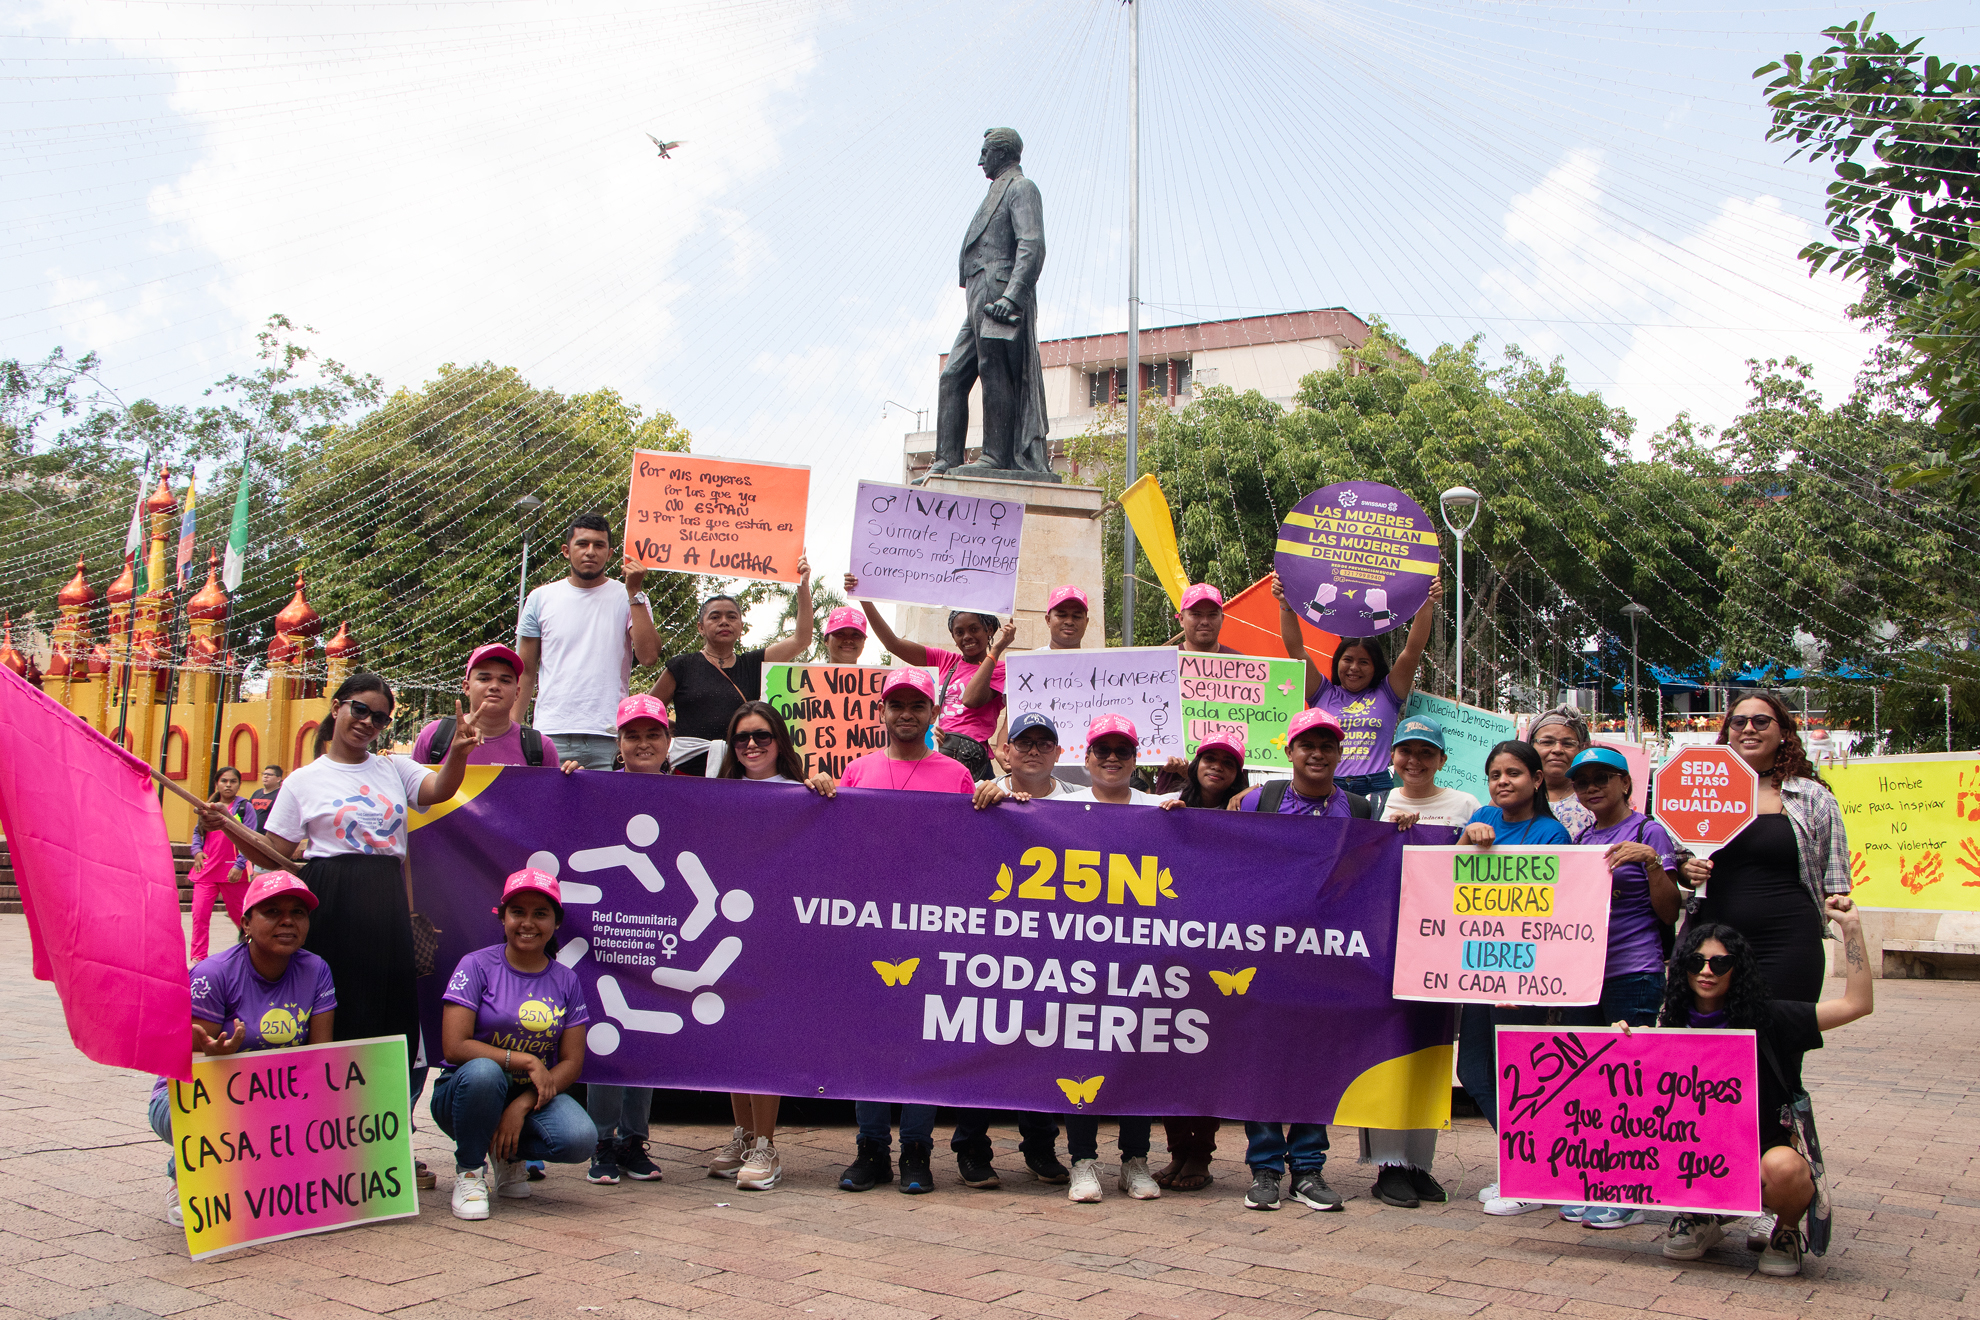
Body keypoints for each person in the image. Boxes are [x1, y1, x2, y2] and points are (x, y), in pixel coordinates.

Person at [238, 674, 481, 1079]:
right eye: (361, 709)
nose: (368, 722)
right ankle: (323, 1092)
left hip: (385, 900)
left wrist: (458, 752)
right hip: (329, 900)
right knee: (333, 1002)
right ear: (337, 708)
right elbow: (273, 853)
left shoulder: (394, 768)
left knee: (386, 1006)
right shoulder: (302, 780)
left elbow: (439, 789)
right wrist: (228, 828)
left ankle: (379, 1100)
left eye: (380, 718)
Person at [810, 667, 976, 1193]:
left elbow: (973, 848)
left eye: (917, 705)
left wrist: (996, 797)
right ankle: (871, 1149)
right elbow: (837, 843)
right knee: (870, 1035)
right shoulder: (856, 771)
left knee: (924, 1036)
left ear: (932, 713)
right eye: (897, 705)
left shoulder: (956, 774)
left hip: (932, 925)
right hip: (869, 924)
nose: (907, 714)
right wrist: (818, 793)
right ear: (881, 712)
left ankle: (916, 1151)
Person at [1650, 900, 1872, 1276]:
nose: (1706, 971)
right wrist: (1621, 1043)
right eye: (1696, 962)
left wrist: (1851, 930)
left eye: (1720, 963)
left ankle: (1785, 1230)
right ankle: (1699, 1216)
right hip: (1696, 1152)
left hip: (1761, 1154)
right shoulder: (1670, 1025)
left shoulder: (1771, 1018)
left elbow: (1857, 1004)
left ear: (1737, 968)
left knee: (1785, 1169)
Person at [150, 873, 334, 1227]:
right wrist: (216, 1059)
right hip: (196, 1096)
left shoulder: (316, 970)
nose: (287, 921)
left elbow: (320, 1057)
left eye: (298, 912)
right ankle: (184, 1175)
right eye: (272, 911)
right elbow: (183, 1062)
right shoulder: (213, 974)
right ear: (246, 923)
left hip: (274, 1097)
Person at [1556, 744, 1684, 1229]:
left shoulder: (1650, 832)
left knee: (1629, 1085)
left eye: (1601, 778)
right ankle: (1596, 1181)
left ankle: (1628, 1189)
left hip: (1635, 972)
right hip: (1584, 977)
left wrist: (1651, 862)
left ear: (1626, 783)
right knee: (1589, 1083)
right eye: (1581, 782)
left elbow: (1669, 912)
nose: (1591, 788)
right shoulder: (1582, 840)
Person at [434, 868, 597, 1220]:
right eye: (518, 912)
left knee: (580, 1138)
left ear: (556, 922)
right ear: (503, 917)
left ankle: (508, 1155)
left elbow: (572, 1062)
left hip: (529, 1096)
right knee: (484, 1073)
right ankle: (470, 1172)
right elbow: (454, 1046)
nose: (528, 923)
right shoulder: (475, 965)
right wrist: (526, 1060)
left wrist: (520, 1106)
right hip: (464, 1093)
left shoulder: (566, 980)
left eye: (540, 914)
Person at [1453, 742, 1573, 1217]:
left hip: (1524, 974)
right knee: (1474, 1070)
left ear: (1537, 780)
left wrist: (1525, 981)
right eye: (1495, 774)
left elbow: (1553, 906)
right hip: (1480, 969)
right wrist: (1467, 837)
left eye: (1514, 773)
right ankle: (1528, 1164)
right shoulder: (1482, 815)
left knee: (1518, 1077)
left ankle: (1530, 1174)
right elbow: (1447, 880)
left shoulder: (1551, 833)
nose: (1503, 781)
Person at [558, 694, 672, 1184]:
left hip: (662, 931)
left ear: (668, 741)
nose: (643, 744)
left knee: (643, 1031)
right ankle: (602, 1141)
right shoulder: (594, 787)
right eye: (633, 736)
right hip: (605, 930)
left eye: (652, 735)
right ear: (618, 744)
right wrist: (564, 782)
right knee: (605, 1029)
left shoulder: (693, 794)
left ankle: (634, 1139)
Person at [1678, 691, 1852, 1003]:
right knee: (1713, 1033)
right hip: (1712, 947)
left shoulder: (1813, 797)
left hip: (1788, 945)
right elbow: (1678, 859)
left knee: (1781, 1030)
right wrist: (1686, 869)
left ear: (1783, 732)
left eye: (1760, 721)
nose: (1749, 729)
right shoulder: (1697, 793)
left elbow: (1836, 880)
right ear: (1728, 732)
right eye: (1739, 722)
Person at [706, 701, 806, 1189]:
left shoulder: (803, 796)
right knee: (734, 1035)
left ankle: (767, 1145)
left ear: (778, 742)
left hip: (777, 934)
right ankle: (745, 1135)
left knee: (763, 1036)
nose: (751, 744)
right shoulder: (717, 796)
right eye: (742, 737)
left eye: (762, 736)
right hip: (726, 933)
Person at [1153, 730, 1249, 1194]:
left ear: (1238, 774)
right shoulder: (1170, 804)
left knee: (1208, 1055)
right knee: (1169, 1055)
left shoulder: (1250, 812)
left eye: (1227, 763)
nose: (1217, 768)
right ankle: (1177, 1152)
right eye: (1210, 759)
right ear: (1196, 764)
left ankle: (1200, 1156)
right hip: (1171, 946)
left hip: (1222, 949)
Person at [1273, 571, 1443, 796]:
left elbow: (1412, 651)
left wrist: (1427, 604)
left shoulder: (1388, 694)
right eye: (1348, 660)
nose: (1354, 668)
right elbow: (1296, 649)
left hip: (1377, 787)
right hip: (1328, 786)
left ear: (1375, 667)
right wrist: (1285, 603)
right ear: (1337, 662)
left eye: (1364, 662)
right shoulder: (1321, 693)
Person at [515, 513, 662, 771]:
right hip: (550, 733)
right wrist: (513, 728)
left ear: (610, 553)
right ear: (566, 550)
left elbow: (649, 657)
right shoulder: (540, 598)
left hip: (608, 735)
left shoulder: (630, 596)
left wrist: (634, 591)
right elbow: (524, 670)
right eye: (582, 544)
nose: (590, 551)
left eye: (599, 545)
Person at [650, 561, 814, 776]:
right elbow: (648, 710)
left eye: (731, 617)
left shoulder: (754, 664)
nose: (724, 622)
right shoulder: (681, 666)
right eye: (715, 617)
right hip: (686, 773)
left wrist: (803, 585)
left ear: (741, 627)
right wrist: (677, 731)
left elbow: (801, 640)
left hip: (738, 774)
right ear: (700, 627)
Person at [844, 572, 1004, 781]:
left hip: (971, 761)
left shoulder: (1000, 669)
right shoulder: (944, 660)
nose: (967, 637)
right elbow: (893, 644)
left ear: (989, 630)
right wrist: (864, 598)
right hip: (937, 752)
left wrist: (996, 651)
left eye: (974, 629)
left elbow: (971, 699)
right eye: (959, 632)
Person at [414, 643, 558, 770]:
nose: (494, 686)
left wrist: (569, 778)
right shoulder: (434, 735)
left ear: (517, 692)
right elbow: (411, 790)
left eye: (505, 681)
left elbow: (553, 792)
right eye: (484, 679)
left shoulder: (540, 747)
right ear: (467, 687)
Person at [1233, 709, 1373, 820]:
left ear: (1339, 753)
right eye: (1307, 746)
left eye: (1327, 747)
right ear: (1289, 753)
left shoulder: (1359, 810)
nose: (1318, 754)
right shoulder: (1258, 801)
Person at [186, 766, 258, 962]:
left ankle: (252, 953)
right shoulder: (207, 806)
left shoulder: (245, 807)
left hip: (233, 872)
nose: (228, 785)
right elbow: (198, 831)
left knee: (242, 917)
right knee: (199, 915)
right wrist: (197, 851)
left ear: (239, 785)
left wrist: (239, 865)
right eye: (224, 781)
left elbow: (250, 837)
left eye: (233, 781)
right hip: (206, 870)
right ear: (216, 783)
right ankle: (198, 958)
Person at [1377, 715, 1479, 829]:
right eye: (1405, 751)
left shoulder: (1467, 806)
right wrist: (1388, 829)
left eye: (1426, 752)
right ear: (1393, 757)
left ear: (1442, 761)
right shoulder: (1376, 804)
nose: (1414, 760)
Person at [1058, 715, 1172, 806]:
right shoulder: (1061, 807)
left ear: (1134, 761)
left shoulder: (1158, 808)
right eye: (1102, 750)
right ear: (1087, 759)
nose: (1112, 758)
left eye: (1122, 751)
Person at [974, 710, 1076, 804]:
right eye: (1023, 743)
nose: (1034, 751)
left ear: (1057, 754)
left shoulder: (1080, 799)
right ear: (1007, 751)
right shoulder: (977, 793)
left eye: (1044, 744)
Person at [1527, 708, 1596, 839]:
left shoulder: (1596, 798)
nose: (1557, 750)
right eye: (1547, 742)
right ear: (1530, 746)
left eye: (1568, 744)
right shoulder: (1514, 797)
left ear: (1581, 749)